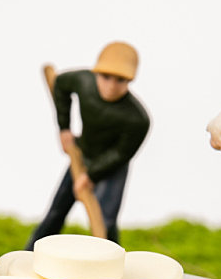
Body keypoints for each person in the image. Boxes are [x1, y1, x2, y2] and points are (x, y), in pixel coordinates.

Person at [26, 41, 150, 247]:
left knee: (105, 221)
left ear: (129, 81)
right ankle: (29, 254)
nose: (111, 85)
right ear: (96, 73)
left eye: (120, 80)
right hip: (82, 153)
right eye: (105, 77)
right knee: (56, 211)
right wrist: (64, 127)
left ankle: (111, 263)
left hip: (111, 167)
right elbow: (60, 85)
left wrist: (90, 175)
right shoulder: (83, 81)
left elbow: (121, 153)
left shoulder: (137, 119)